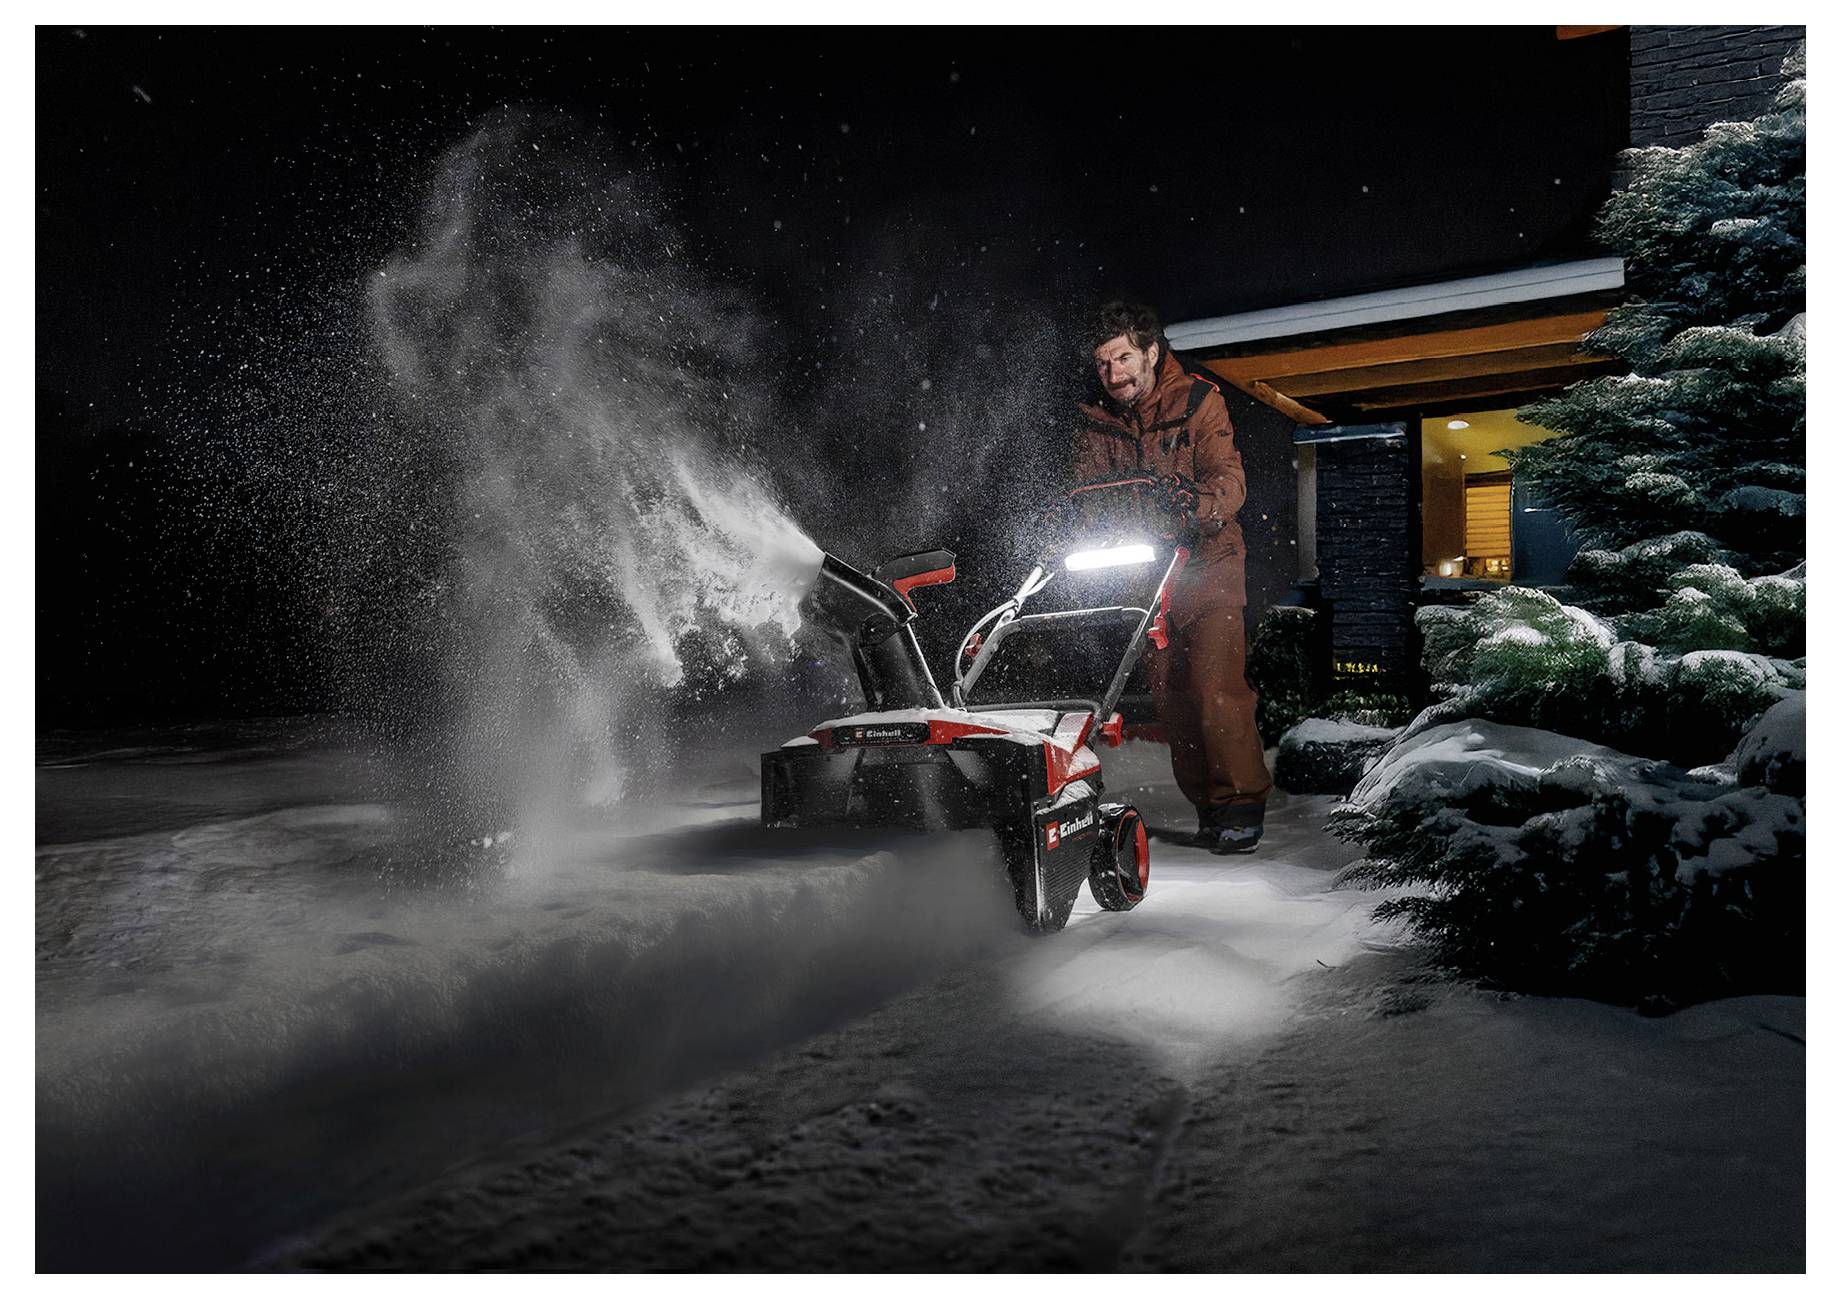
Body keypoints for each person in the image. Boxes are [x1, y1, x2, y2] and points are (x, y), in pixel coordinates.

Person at [1073, 301, 1272, 852]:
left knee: (1215, 690)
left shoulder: (1200, 402)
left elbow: (1229, 481)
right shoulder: (1095, 421)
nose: (1113, 375)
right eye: (1102, 364)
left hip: (1208, 562)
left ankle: (1241, 804)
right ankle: (1209, 806)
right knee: (1174, 699)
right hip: (1149, 576)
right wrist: (1071, 516)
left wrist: (1196, 502)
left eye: (1122, 358)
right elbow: (1086, 490)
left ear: (1152, 353)